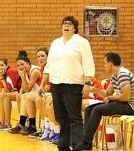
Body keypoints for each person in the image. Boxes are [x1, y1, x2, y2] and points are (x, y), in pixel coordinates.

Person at [39, 16, 95, 151]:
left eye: (69, 24)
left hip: (73, 84)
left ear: (75, 28)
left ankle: (77, 146)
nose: (66, 25)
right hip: (56, 84)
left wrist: (87, 83)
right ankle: (63, 146)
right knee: (61, 117)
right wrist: (42, 84)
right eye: (64, 23)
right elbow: (49, 65)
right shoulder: (56, 43)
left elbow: (88, 63)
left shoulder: (81, 42)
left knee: (74, 117)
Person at [82, 52, 134, 150]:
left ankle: (85, 141)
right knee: (89, 109)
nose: (104, 65)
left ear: (111, 63)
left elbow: (126, 97)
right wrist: (96, 90)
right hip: (121, 103)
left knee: (97, 110)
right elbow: (107, 93)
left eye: (105, 63)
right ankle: (87, 143)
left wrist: (110, 98)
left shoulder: (123, 74)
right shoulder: (114, 76)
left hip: (129, 106)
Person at [8, 50, 41, 135]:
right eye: (18, 65)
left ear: (28, 64)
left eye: (22, 64)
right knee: (22, 96)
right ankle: (23, 124)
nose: (20, 67)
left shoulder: (35, 71)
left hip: (43, 92)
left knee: (25, 96)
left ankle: (30, 125)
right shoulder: (25, 72)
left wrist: (22, 77)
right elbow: (23, 90)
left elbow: (28, 89)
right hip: (34, 94)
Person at [0, 58, 21, 130]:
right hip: (16, 91)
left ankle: (7, 124)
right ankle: (3, 122)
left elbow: (8, 89)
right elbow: (4, 89)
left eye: (2, 65)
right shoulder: (4, 73)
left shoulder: (11, 71)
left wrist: (1, 77)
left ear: (6, 65)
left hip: (22, 91)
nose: (0, 67)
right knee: (1, 94)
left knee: (5, 95)